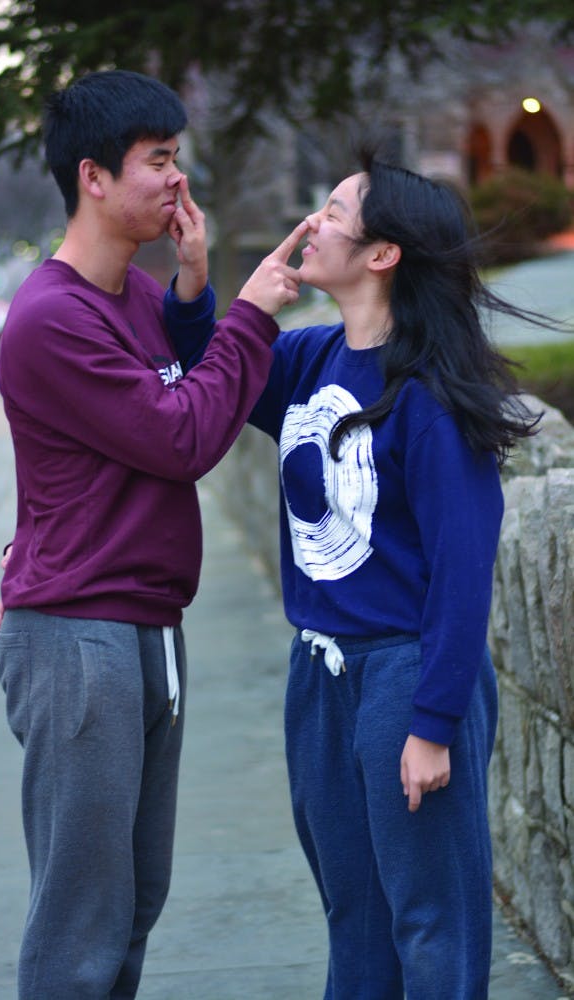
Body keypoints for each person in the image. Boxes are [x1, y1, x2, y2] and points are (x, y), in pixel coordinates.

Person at [167, 150, 544, 998]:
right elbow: (218, 380)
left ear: (382, 255)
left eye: (335, 211)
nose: (314, 221)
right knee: (354, 915)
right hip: (321, 671)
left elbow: (460, 574)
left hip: (404, 671)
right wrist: (197, 285)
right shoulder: (308, 360)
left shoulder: (431, 398)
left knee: (428, 921)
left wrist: (432, 723)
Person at [0, 68, 304, 1000]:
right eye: (158, 161)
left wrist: (197, 291)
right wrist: (250, 311)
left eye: (178, 159)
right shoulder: (50, 320)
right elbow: (182, 436)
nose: (178, 180)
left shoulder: (128, 296)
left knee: (133, 901)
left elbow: (182, 373)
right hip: (77, 635)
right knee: (83, 917)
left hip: (141, 623)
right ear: (93, 176)